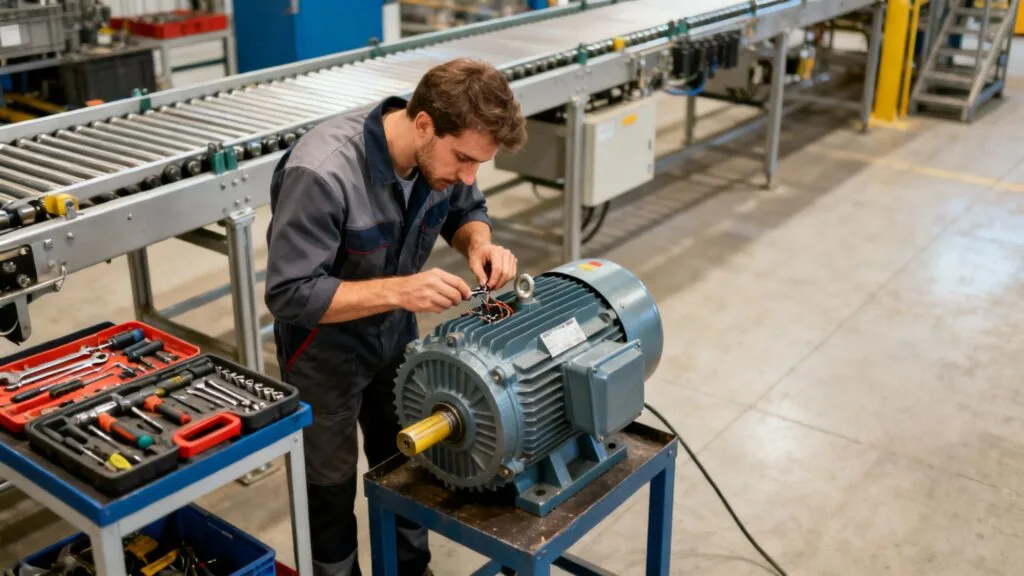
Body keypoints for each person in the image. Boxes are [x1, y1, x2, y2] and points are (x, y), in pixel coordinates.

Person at [263, 58, 528, 576]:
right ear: (424, 124)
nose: (468, 175)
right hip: (322, 353)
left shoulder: (442, 156)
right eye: (464, 159)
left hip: (395, 336)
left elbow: (465, 209)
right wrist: (403, 289)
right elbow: (290, 292)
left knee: (409, 464)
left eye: (479, 164)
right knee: (330, 487)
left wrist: (479, 244)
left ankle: (409, 569)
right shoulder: (322, 172)